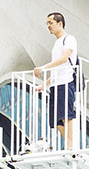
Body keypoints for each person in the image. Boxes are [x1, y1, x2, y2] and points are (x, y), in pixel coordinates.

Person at [32, 12, 79, 148]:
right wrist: (44, 86)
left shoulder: (69, 39)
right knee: (56, 121)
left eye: (50, 23)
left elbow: (64, 59)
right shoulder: (57, 43)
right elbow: (56, 70)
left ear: (60, 23)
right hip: (56, 84)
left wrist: (42, 67)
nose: (48, 26)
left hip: (66, 82)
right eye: (47, 23)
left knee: (66, 116)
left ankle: (70, 147)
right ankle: (71, 145)